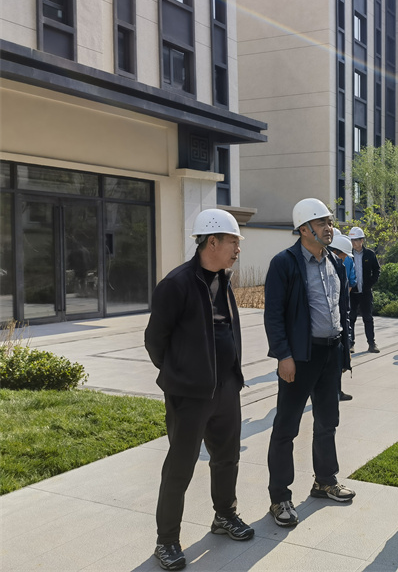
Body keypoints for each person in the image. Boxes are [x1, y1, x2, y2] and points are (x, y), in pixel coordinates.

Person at [144, 208, 254, 571]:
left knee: (227, 458)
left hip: (226, 388)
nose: (238, 249)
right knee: (180, 466)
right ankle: (166, 541)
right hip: (190, 395)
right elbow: (155, 340)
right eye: (233, 242)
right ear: (212, 242)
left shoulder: (223, 280)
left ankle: (225, 515)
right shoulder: (176, 284)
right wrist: (181, 374)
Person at [264, 198, 355, 528]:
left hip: (330, 353)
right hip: (300, 357)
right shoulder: (284, 263)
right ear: (304, 229)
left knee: (328, 421)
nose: (329, 228)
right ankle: (280, 497)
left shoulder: (335, 262)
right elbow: (274, 315)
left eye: (330, 222)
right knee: (286, 427)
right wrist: (284, 356)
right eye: (321, 223)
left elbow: (342, 309)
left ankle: (325, 481)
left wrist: (344, 350)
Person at [330, 232, 356, 402]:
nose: (345, 259)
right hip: (330, 324)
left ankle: (337, 391)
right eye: (344, 255)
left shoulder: (340, 267)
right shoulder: (329, 268)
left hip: (339, 321)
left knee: (338, 360)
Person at [347, 226, 381, 353]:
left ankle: (371, 344)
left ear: (362, 240)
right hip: (352, 293)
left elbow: (377, 270)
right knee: (351, 318)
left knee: (368, 318)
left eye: (356, 240)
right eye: (352, 240)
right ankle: (350, 344)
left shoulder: (369, 254)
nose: (353, 243)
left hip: (365, 292)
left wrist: (370, 284)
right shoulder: (348, 255)